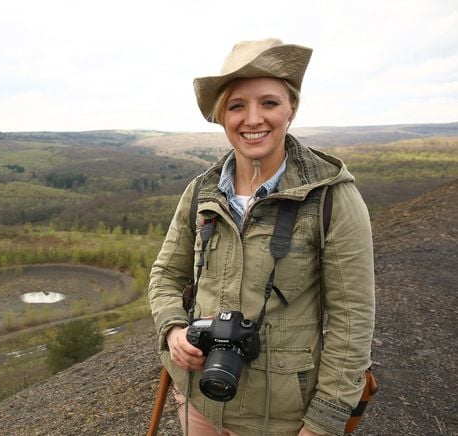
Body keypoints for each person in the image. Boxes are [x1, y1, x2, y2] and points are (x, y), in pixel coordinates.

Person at [148, 38, 375, 436]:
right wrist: (173, 329)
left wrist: (323, 422)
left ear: (291, 108)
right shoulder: (201, 193)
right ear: (222, 116)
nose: (253, 119)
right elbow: (166, 275)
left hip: (281, 419)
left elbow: (352, 322)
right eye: (237, 106)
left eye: (269, 103)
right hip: (199, 399)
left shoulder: (332, 197)